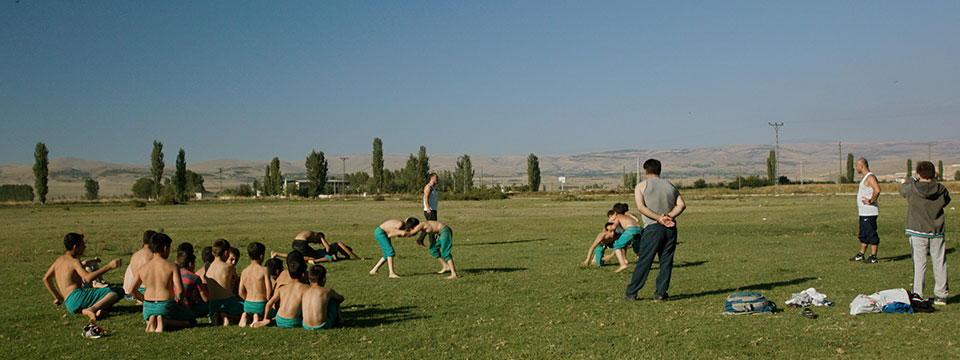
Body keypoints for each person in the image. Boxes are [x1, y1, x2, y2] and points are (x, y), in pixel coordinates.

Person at [625, 159, 685, 302]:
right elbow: (681, 205)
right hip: (670, 227)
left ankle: (632, 292)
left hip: (652, 227)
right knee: (666, 261)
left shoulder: (641, 186)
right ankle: (660, 293)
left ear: (645, 171)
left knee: (645, 261)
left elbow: (641, 208)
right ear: (660, 170)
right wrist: (668, 216)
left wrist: (658, 218)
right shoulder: (670, 186)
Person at [899, 161, 951, 305]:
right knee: (939, 262)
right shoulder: (941, 188)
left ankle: (918, 294)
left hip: (917, 230)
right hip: (936, 231)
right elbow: (946, 201)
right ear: (934, 173)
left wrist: (914, 178)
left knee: (920, 263)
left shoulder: (912, 189)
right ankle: (941, 295)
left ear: (918, 173)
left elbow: (902, 189)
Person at [41, 233, 124, 322]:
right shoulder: (74, 262)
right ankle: (92, 309)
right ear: (75, 247)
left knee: (104, 298)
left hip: (69, 303)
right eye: (82, 244)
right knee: (118, 291)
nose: (84, 247)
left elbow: (46, 279)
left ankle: (98, 311)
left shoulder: (59, 260)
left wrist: (58, 297)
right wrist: (109, 266)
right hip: (78, 297)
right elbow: (88, 278)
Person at [130, 233, 196, 332]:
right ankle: (165, 321)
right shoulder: (172, 266)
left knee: (153, 313)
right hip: (166, 305)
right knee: (191, 320)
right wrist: (182, 303)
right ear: (165, 248)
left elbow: (131, 290)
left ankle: (152, 319)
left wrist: (144, 300)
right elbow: (180, 290)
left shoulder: (142, 268)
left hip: (148, 307)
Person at [252, 254, 309, 328]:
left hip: (279, 319)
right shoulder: (305, 288)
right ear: (303, 275)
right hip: (293, 322)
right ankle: (271, 321)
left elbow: (269, 304)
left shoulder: (282, 288)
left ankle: (267, 320)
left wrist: (265, 318)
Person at [850, 158, 881, 263]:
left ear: (861, 166)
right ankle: (861, 254)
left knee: (871, 233)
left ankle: (873, 256)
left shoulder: (870, 177)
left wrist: (871, 200)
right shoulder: (865, 178)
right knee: (863, 234)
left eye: (856, 166)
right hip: (863, 212)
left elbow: (877, 189)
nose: (856, 168)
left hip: (870, 212)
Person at [205, 239, 243, 325]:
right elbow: (236, 281)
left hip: (213, 303)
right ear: (226, 253)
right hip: (227, 302)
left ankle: (216, 314)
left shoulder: (209, 269)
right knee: (246, 310)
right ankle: (227, 315)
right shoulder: (229, 267)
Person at [271, 231, 362, 263]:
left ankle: (277, 254)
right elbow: (328, 248)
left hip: (295, 242)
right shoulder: (320, 236)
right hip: (301, 244)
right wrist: (358, 258)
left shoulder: (312, 234)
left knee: (297, 257)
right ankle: (277, 254)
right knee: (307, 257)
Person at [239, 242, 273, 327]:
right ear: (261, 256)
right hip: (260, 304)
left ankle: (246, 315)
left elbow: (240, 292)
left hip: (247, 305)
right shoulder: (264, 270)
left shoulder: (244, 271)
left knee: (250, 311)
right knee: (274, 314)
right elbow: (269, 290)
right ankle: (257, 317)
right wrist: (268, 301)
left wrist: (247, 299)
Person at [302, 265, 344, 330]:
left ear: (309, 280)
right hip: (322, 325)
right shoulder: (327, 291)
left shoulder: (304, 291)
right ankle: (340, 321)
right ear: (324, 279)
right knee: (334, 300)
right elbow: (341, 299)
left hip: (306, 325)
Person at [609, 203, 643, 273]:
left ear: (615, 212)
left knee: (617, 246)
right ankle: (643, 265)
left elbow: (614, 227)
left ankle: (622, 264)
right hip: (639, 230)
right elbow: (637, 221)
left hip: (631, 230)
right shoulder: (628, 216)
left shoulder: (618, 217)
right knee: (637, 248)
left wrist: (609, 227)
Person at [122, 230, 156, 299]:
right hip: (146, 289)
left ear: (143, 241)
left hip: (136, 288)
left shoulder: (135, 255)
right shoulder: (152, 255)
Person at [177, 250, 209, 318]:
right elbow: (205, 299)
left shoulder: (175, 275)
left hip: (175, 306)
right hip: (188, 307)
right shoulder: (194, 277)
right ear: (190, 264)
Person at [417, 173, 439, 247]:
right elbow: (426, 198)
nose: (437, 179)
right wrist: (428, 208)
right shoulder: (428, 187)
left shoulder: (433, 187)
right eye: (436, 177)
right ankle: (432, 243)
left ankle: (420, 240)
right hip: (430, 210)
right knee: (432, 227)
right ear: (432, 178)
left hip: (433, 209)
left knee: (429, 226)